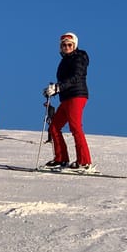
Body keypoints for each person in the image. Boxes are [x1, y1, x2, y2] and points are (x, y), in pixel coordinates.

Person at [42, 32, 92, 170]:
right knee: (54, 127)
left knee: (75, 127)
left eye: (69, 45)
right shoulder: (65, 61)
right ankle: (61, 158)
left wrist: (59, 87)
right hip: (66, 97)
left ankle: (84, 161)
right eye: (64, 45)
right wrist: (52, 89)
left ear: (75, 45)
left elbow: (76, 77)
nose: (66, 47)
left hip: (77, 96)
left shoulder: (79, 57)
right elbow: (64, 81)